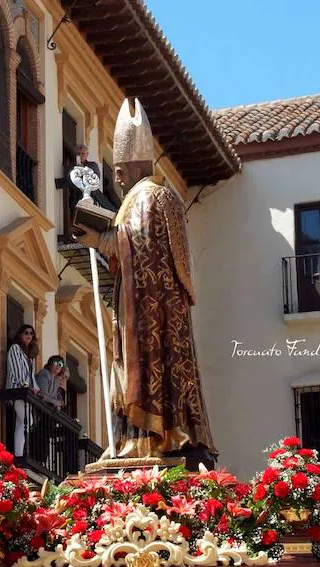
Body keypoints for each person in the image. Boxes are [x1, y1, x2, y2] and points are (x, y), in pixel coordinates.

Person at [74, 98, 216, 466]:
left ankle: (144, 441)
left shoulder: (147, 197)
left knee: (143, 369)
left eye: (119, 171)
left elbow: (137, 246)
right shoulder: (161, 196)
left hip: (147, 314)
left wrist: (101, 237)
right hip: (153, 308)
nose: (116, 179)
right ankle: (143, 438)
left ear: (131, 167)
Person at [6, 324, 38, 456]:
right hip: (17, 390)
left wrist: (36, 388)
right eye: (26, 333)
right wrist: (26, 386)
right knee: (26, 421)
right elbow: (17, 370)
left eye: (31, 334)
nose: (29, 336)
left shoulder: (28, 356)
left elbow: (30, 375)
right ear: (20, 334)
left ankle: (19, 453)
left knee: (22, 422)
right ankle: (19, 453)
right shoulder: (15, 348)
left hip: (25, 393)